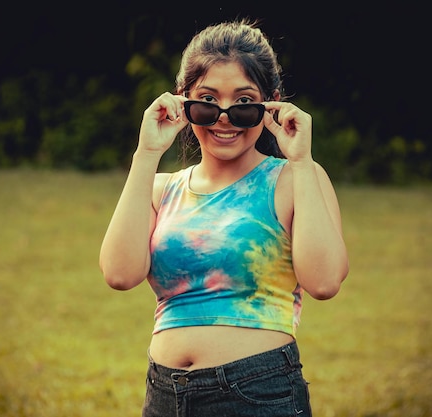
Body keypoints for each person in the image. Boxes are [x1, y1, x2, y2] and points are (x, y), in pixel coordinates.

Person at [99, 18, 349, 417]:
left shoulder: (294, 178)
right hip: (164, 394)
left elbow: (324, 281)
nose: (224, 118)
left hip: (258, 392)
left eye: (244, 103)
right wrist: (146, 155)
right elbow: (119, 273)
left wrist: (301, 160)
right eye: (207, 101)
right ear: (182, 102)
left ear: (272, 103)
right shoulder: (161, 188)